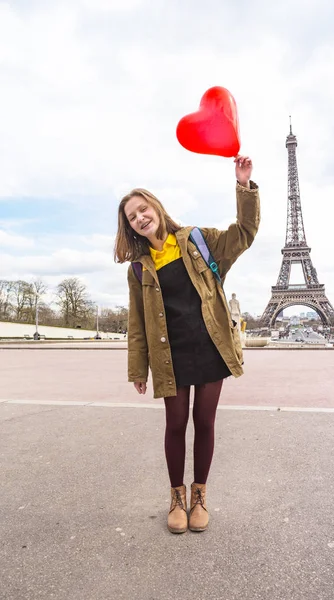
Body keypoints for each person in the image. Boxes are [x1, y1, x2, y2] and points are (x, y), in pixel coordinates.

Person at [114, 156, 260, 534]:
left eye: (143, 209)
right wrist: (137, 368)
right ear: (129, 227)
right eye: (132, 217)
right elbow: (137, 324)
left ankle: (199, 497)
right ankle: (176, 497)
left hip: (211, 346)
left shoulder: (198, 240)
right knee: (176, 423)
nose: (140, 218)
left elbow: (244, 232)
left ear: (157, 208)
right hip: (170, 354)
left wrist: (244, 186)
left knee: (205, 422)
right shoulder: (138, 267)